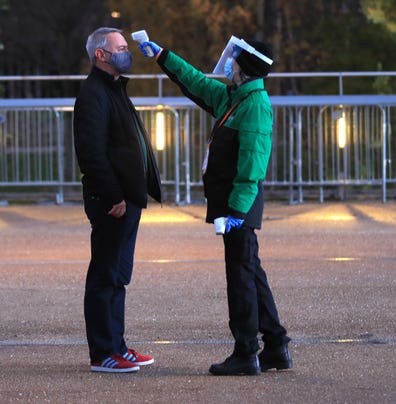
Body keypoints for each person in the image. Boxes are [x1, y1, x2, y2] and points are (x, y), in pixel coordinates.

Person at [138, 36, 292, 375]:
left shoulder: (254, 104)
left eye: (235, 60)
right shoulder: (235, 98)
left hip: (239, 205)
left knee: (240, 277)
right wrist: (164, 56)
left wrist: (236, 213)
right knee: (250, 270)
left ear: (246, 67)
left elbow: (252, 164)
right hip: (234, 203)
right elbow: (195, 82)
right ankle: (276, 345)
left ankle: (245, 352)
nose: (230, 64)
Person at [73, 27, 162, 373]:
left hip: (128, 199)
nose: (128, 52)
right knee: (104, 276)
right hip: (113, 201)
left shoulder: (114, 89)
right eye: (121, 47)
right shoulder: (94, 94)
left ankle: (118, 345)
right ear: (101, 55)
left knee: (118, 277)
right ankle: (102, 353)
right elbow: (92, 153)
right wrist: (113, 195)